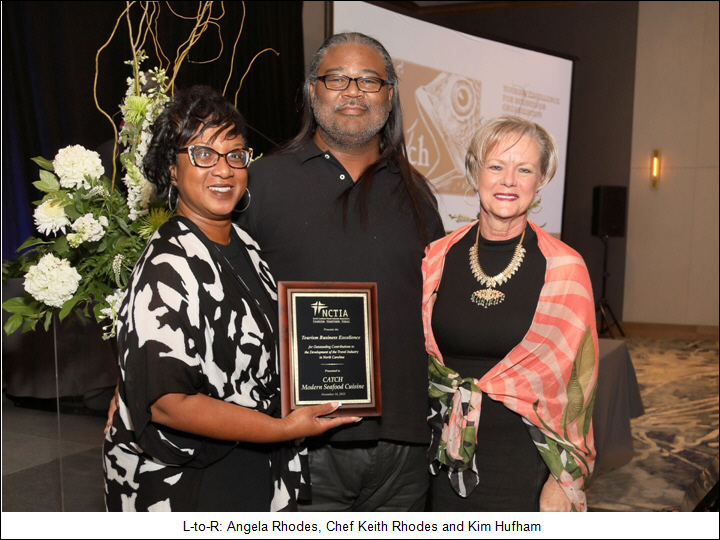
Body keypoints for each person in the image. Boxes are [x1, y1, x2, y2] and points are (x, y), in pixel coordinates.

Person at [102, 85, 358, 512]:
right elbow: (168, 403)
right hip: (192, 483)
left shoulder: (245, 245)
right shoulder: (169, 263)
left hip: (250, 467)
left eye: (235, 155)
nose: (223, 170)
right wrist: (282, 428)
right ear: (171, 168)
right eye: (204, 154)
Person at [238, 33, 445, 511]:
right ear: (313, 91)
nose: (354, 91)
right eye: (338, 79)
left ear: (390, 97)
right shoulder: (261, 185)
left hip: (404, 444)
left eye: (370, 80)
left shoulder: (417, 193)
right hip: (301, 442)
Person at [422, 116, 598, 512]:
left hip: (525, 464)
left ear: (541, 180)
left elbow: (579, 391)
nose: (508, 180)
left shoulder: (564, 269)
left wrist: (561, 481)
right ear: (474, 171)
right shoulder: (436, 258)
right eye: (496, 166)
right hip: (439, 458)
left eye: (524, 169)